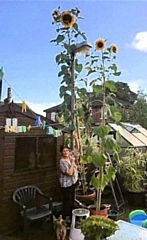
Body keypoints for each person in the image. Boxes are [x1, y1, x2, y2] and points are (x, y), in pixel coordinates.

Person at [59, 132, 79, 222]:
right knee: (67, 203)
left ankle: (71, 219)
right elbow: (69, 173)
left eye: (67, 150)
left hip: (72, 183)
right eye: (64, 151)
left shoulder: (69, 156)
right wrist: (73, 162)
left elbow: (76, 148)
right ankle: (64, 219)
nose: (66, 152)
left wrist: (76, 138)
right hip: (66, 186)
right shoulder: (62, 162)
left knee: (71, 202)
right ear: (61, 152)